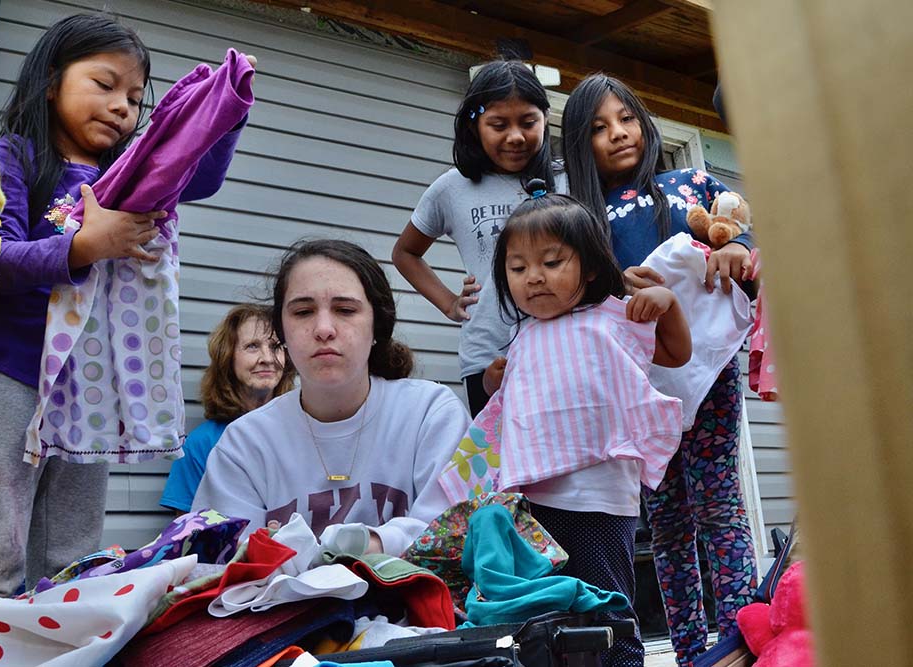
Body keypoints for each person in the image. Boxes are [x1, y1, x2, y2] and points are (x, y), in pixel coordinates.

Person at [0, 14, 251, 619]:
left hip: (88, 387)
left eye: (134, 97)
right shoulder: (14, 157)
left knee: (70, 556)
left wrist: (227, 105)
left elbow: (200, 173)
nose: (121, 107)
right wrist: (82, 246)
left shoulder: (127, 173)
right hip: (6, 371)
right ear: (51, 81)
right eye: (103, 84)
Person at [561, 73, 759, 665]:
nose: (617, 134)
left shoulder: (689, 184)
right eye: (598, 128)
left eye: (625, 118)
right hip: (639, 387)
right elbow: (569, 292)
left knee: (718, 500)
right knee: (668, 519)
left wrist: (736, 249)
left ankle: (741, 633)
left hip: (709, 367)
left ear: (644, 121)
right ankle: (689, 645)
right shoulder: (578, 218)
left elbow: (740, 231)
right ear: (577, 142)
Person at [481, 179, 691, 667]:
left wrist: (669, 304)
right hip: (534, 499)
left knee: (607, 606)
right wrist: (496, 382)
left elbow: (677, 355)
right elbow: (514, 409)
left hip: (599, 497)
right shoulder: (523, 338)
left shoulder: (613, 318)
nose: (533, 277)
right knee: (547, 612)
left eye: (551, 262)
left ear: (592, 266)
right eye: (518, 267)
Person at [193, 239, 471, 556]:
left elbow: (459, 529)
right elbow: (222, 556)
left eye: (345, 310)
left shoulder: (431, 414)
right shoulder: (243, 444)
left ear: (378, 324)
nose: (324, 329)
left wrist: (353, 548)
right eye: (303, 311)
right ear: (281, 332)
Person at [392, 59, 563, 417]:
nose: (515, 136)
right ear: (474, 125)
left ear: (545, 120)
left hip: (564, 346)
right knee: (501, 467)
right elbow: (405, 253)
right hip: (488, 356)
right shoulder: (452, 188)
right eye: (498, 124)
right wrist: (450, 304)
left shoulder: (566, 182)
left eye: (529, 122)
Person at [160, 304, 294, 514]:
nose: (267, 358)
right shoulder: (201, 443)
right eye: (252, 346)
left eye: (276, 346)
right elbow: (187, 535)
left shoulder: (303, 433)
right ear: (227, 357)